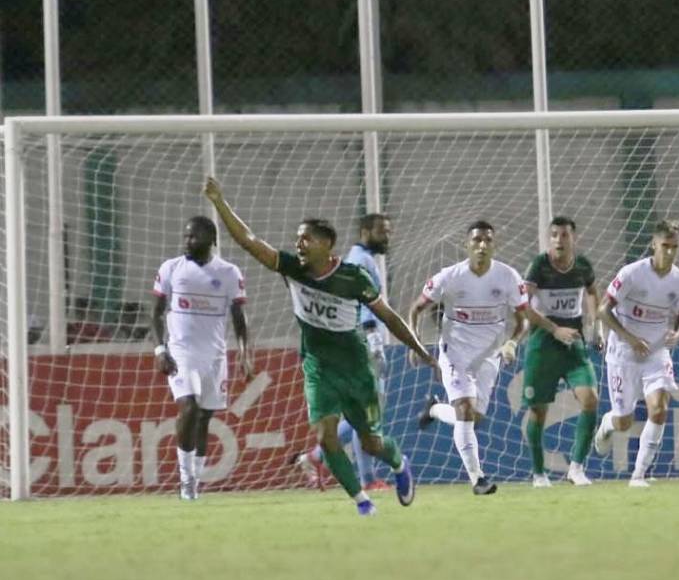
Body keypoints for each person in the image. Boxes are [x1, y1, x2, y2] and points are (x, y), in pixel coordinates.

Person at [203, 177, 434, 516]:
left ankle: (399, 464)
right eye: (297, 238)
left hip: (356, 369)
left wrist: (421, 349)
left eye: (306, 238)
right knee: (325, 437)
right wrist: (220, 202)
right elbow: (250, 242)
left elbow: (389, 316)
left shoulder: (353, 277)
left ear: (327, 243)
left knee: (370, 442)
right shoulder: (293, 268)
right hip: (318, 368)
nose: (299, 243)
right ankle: (362, 502)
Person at [410, 220, 528, 495]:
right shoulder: (449, 276)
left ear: (494, 245)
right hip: (456, 352)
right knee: (464, 409)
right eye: (477, 240)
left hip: (490, 355)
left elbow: (523, 320)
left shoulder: (509, 277)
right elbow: (416, 308)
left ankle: (435, 410)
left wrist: (512, 343)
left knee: (473, 418)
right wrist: (415, 343)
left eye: (488, 240)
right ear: (467, 245)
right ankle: (478, 479)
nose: (482, 245)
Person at [291, 214, 408, 491]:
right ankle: (368, 480)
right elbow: (354, 302)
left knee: (360, 418)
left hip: (365, 344)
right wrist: (372, 337)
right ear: (365, 231)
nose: (387, 236)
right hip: (361, 347)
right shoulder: (358, 260)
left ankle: (312, 458)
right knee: (367, 417)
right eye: (382, 231)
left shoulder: (363, 258)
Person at [151, 215, 253, 501]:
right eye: (186, 236)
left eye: (193, 237)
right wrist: (160, 349)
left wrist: (245, 353)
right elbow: (156, 312)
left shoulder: (229, 273)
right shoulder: (171, 268)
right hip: (181, 353)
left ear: (210, 240)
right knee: (190, 407)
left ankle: (194, 483)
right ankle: (185, 481)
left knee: (205, 418)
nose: (187, 241)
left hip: (215, 356)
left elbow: (239, 317)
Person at [591, 219, 679, 488]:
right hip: (623, 352)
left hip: (656, 353)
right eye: (665, 246)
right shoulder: (632, 274)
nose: (669, 252)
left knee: (659, 410)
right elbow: (602, 311)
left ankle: (639, 475)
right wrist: (630, 338)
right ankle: (607, 424)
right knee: (624, 421)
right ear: (654, 244)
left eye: (674, 247)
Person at [521, 216, 603, 488]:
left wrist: (596, 326)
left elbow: (592, 292)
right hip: (542, 343)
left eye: (564, 235)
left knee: (590, 399)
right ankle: (539, 473)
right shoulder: (538, 266)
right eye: (554, 234)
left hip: (573, 343)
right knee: (538, 411)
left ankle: (576, 469)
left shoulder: (582, 266)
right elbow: (524, 306)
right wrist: (554, 329)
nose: (558, 240)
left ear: (573, 238)